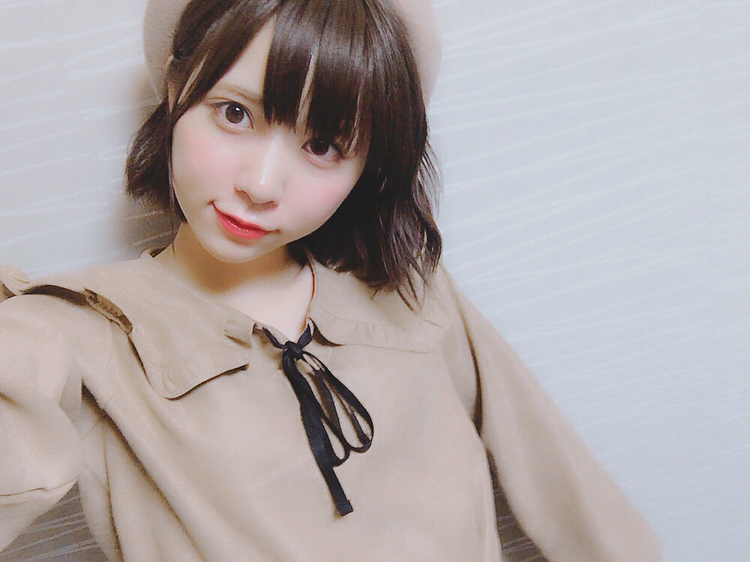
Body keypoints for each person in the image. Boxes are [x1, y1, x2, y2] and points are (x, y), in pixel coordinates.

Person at [0, 0, 659, 560]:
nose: (261, 185)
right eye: (235, 114)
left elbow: (578, 501)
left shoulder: (412, 293)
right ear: (177, 89)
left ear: (368, 166)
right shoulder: (72, 331)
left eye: (323, 146)